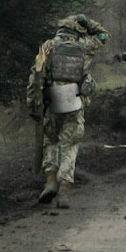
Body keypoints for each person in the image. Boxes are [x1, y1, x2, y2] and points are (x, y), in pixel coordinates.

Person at [25, 13, 107, 209]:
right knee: (69, 145)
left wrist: (32, 104)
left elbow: (35, 75)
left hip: (52, 102)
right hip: (74, 102)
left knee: (51, 142)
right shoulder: (86, 46)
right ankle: (64, 191)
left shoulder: (48, 46)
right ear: (78, 31)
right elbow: (104, 36)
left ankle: (50, 181)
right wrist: (89, 23)